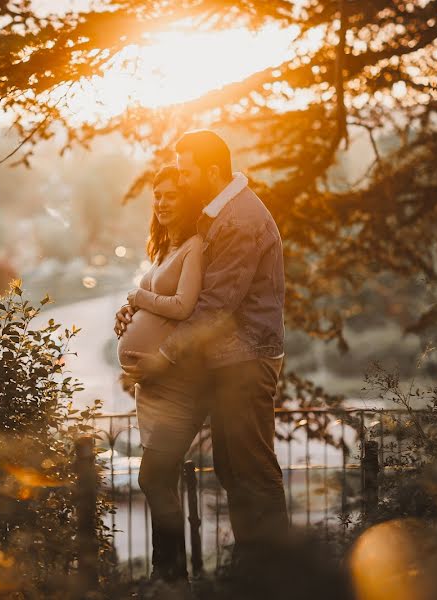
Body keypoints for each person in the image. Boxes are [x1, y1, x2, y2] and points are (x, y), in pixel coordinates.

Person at [119, 129, 288, 574]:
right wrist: (135, 314)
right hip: (224, 363)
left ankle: (274, 577)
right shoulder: (218, 215)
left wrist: (165, 355)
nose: (185, 179)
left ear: (211, 171)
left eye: (190, 170)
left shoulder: (240, 221)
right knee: (235, 472)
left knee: (251, 472)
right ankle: (253, 575)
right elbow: (184, 294)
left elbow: (216, 306)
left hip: (247, 360)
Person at [116, 165, 207, 585]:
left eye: (172, 194)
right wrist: (128, 312)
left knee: (151, 477)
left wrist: (138, 296)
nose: (163, 201)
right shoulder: (163, 250)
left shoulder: (194, 246)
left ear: (186, 200)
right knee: (162, 482)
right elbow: (156, 304)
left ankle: (171, 577)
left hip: (178, 385)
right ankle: (169, 578)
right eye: (158, 194)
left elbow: (184, 306)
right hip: (151, 390)